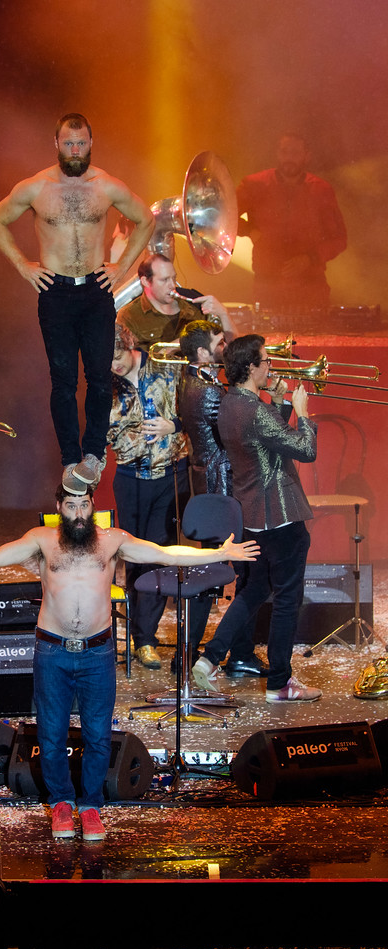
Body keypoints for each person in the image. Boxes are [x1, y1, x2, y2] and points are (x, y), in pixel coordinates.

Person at [0, 485, 259, 840]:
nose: (78, 513)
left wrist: (219, 553)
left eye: (84, 505)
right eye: (71, 505)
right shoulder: (42, 540)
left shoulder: (112, 540)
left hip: (97, 652)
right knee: (51, 735)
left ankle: (90, 807)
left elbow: (165, 554)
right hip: (52, 651)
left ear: (92, 507)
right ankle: (61, 802)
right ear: (58, 506)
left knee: (98, 736)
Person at [0, 112, 154, 495]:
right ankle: (69, 458)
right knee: (63, 380)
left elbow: (145, 219)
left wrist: (122, 267)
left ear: (91, 143)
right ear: (56, 144)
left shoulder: (106, 185)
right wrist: (23, 266)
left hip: (95, 289)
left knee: (99, 377)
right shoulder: (36, 187)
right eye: (68, 143)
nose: (75, 150)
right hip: (56, 292)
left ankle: (93, 454)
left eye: (81, 143)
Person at [192, 334, 321, 703]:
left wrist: (279, 403)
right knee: (287, 599)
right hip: (281, 515)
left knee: (255, 590)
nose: (270, 367)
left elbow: (267, 439)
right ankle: (280, 683)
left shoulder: (230, 404)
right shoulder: (255, 411)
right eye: (266, 361)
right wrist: (303, 411)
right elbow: (304, 449)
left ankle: (210, 658)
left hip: (252, 514)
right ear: (251, 367)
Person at [177, 319, 267, 678]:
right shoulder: (210, 392)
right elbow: (236, 434)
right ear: (202, 352)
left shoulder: (191, 381)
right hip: (223, 488)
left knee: (211, 573)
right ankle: (236, 653)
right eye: (219, 343)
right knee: (240, 572)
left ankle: (189, 653)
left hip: (209, 485)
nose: (224, 348)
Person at [107, 323, 189, 670]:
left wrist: (175, 425)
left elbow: (198, 408)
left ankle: (145, 639)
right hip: (130, 478)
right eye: (106, 360)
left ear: (128, 344)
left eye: (117, 356)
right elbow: (103, 432)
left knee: (158, 553)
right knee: (134, 556)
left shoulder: (166, 366)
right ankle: (136, 634)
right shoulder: (105, 385)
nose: (114, 365)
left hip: (171, 474)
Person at [236, 133, 347, 312]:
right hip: (268, 285)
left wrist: (309, 259)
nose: (289, 158)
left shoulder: (321, 190)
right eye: (284, 152)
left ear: (307, 156)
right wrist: (249, 230)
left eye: (295, 153)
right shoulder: (255, 184)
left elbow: (339, 239)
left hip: (311, 287)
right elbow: (224, 217)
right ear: (277, 153)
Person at [115, 252, 236, 354]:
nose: (172, 285)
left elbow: (233, 350)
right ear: (145, 281)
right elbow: (129, 363)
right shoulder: (129, 315)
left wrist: (223, 314)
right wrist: (180, 344)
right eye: (164, 280)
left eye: (174, 278)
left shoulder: (193, 305)